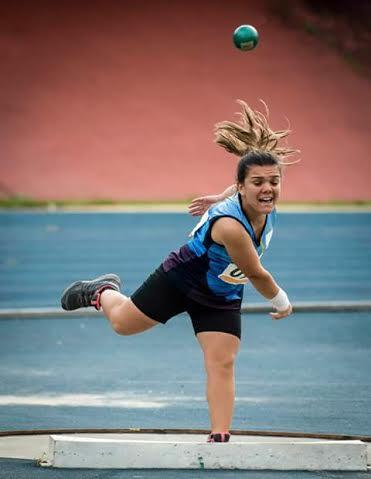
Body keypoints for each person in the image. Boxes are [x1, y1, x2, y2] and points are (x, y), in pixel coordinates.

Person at [61, 100, 298, 443]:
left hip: (222, 293)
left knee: (222, 362)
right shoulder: (231, 226)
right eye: (258, 182)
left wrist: (221, 193)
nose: (268, 189)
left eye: (274, 182)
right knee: (123, 325)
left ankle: (219, 436)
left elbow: (243, 189)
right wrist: (281, 301)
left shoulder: (262, 199)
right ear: (242, 185)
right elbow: (258, 274)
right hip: (181, 279)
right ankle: (101, 291)